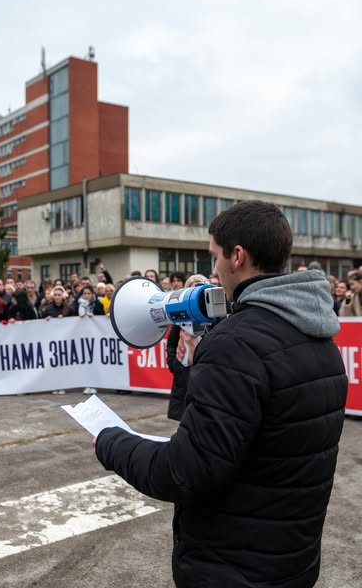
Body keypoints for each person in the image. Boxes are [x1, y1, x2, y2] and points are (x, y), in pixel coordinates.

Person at [95, 200, 348, 588]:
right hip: (292, 563)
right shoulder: (324, 343)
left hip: (231, 569)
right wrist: (209, 365)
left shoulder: (236, 345)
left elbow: (185, 472)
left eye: (215, 256)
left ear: (238, 256)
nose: (213, 269)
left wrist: (111, 442)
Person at [165, 274, 208, 421]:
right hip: (183, 377)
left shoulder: (213, 318)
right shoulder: (180, 318)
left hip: (203, 377)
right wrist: (174, 363)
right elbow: (171, 343)